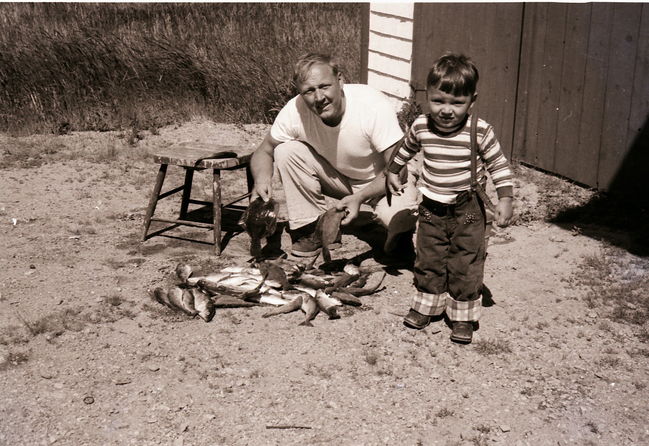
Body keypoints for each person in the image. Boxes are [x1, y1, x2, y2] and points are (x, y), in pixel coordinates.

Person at [386, 53, 514, 344]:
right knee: (429, 256)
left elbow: (499, 166)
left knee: (465, 261)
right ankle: (427, 305)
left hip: (467, 209)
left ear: (472, 100)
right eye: (438, 101)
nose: (446, 110)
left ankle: (462, 316)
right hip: (431, 207)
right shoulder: (421, 125)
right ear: (428, 97)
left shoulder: (479, 131)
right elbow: (404, 150)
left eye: (456, 103)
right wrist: (393, 171)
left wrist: (505, 198)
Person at [250, 52, 418, 261]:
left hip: (388, 181)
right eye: (309, 91)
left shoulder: (370, 104)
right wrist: (261, 180)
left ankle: (400, 237)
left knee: (398, 222)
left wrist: (360, 198)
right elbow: (263, 151)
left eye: (324, 86)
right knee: (285, 151)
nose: (319, 97)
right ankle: (311, 229)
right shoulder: (295, 110)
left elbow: (398, 171)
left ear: (340, 80)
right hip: (341, 178)